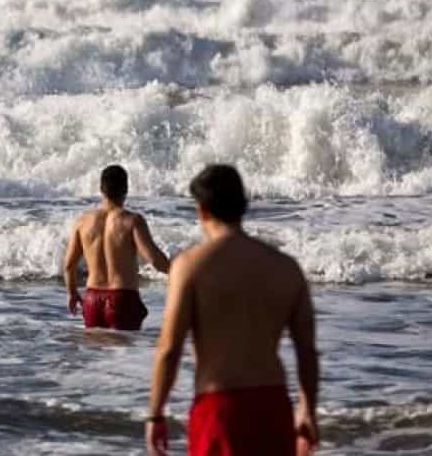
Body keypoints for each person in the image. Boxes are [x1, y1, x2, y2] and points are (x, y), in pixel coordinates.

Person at [146, 164, 320, 456]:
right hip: (273, 407)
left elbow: (169, 349)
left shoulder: (190, 267)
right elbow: (307, 351)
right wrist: (307, 410)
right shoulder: (285, 268)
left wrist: (155, 414)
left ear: (201, 211)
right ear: (244, 205)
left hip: (218, 410)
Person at [62, 164, 171, 330]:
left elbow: (69, 266)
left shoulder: (82, 221)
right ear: (126, 189)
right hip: (122, 300)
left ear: (101, 189)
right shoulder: (132, 221)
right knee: (125, 355)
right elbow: (155, 261)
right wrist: (180, 271)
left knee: (95, 355)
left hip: (92, 300)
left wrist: (72, 293)